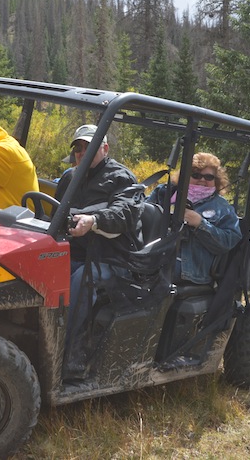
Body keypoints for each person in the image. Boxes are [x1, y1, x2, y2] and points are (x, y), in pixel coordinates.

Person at [54, 124, 143, 379]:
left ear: (104, 148)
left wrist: (93, 221)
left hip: (113, 258)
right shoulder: (70, 178)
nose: (83, 153)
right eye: (79, 148)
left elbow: (124, 214)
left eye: (89, 147)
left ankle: (67, 355)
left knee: (80, 281)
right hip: (76, 254)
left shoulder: (121, 178)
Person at [174, 153, 242, 286]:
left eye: (209, 177)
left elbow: (230, 241)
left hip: (189, 273)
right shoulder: (167, 194)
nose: (202, 180)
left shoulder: (222, 207)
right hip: (156, 263)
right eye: (196, 175)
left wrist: (200, 224)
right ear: (185, 176)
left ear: (216, 180)